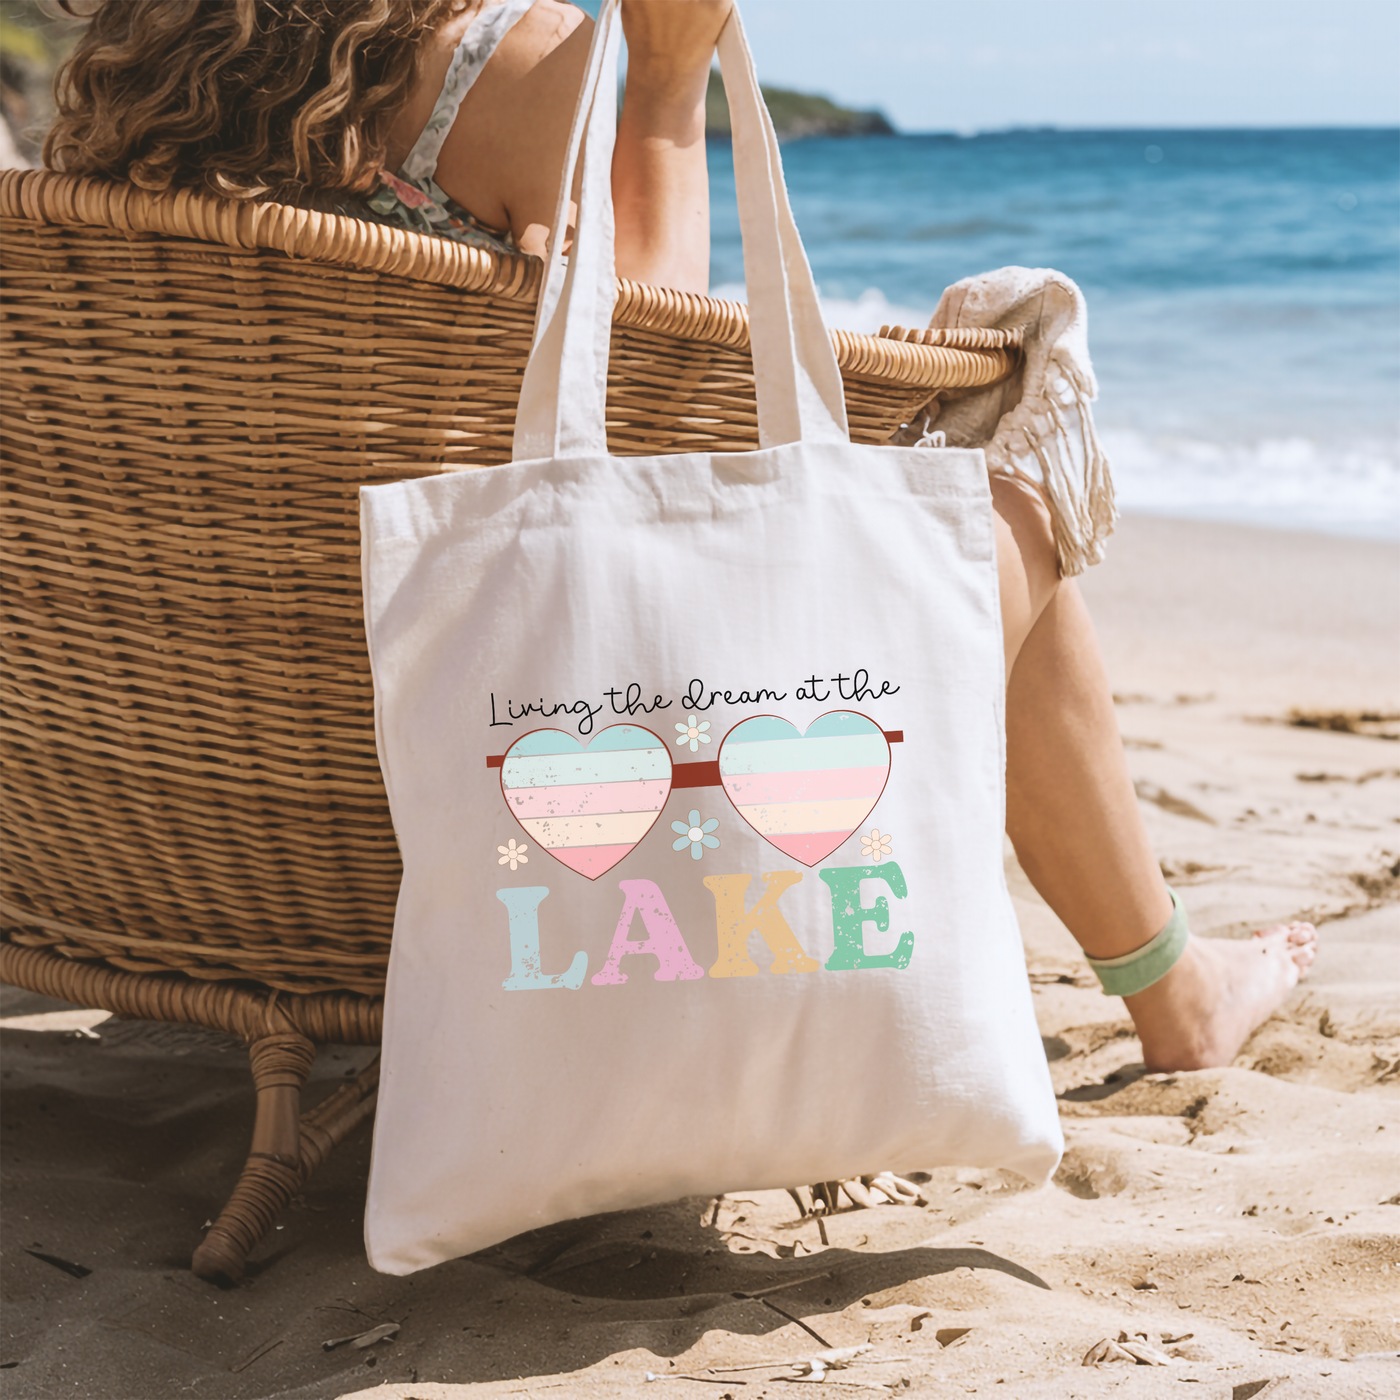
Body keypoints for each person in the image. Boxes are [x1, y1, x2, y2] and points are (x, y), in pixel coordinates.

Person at [44, 0, 1315, 1082]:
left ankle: (1180, 985)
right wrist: (657, 87)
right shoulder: (501, 67)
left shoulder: (123, 98)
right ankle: (1173, 990)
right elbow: (661, 437)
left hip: (190, 835)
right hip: (525, 814)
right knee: (996, 420)